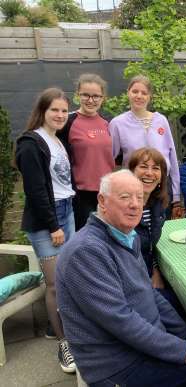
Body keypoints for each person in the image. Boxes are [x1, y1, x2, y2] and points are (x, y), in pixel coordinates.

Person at [56, 170, 186, 386]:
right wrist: (183, 351)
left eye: (139, 197)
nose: (135, 204)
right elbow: (121, 321)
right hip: (118, 366)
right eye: (125, 197)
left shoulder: (126, 236)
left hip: (143, 346)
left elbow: (149, 292)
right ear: (102, 201)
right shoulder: (86, 251)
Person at [15, 88, 76, 373]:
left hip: (67, 209)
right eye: (55, 110)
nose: (61, 115)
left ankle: (68, 329)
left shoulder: (56, 139)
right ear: (42, 110)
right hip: (47, 221)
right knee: (54, 284)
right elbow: (36, 190)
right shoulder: (32, 143)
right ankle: (64, 343)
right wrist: (54, 225)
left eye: (64, 111)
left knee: (68, 276)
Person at [108, 75, 183, 218]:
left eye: (144, 93)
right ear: (128, 93)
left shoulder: (161, 120)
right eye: (135, 91)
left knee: (160, 228)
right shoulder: (118, 123)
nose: (139, 96)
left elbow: (172, 157)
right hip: (133, 188)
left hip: (160, 187)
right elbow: (109, 160)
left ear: (150, 97)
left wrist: (176, 195)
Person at [58, 73, 114, 230]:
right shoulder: (67, 123)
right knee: (85, 240)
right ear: (77, 95)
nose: (91, 100)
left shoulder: (107, 124)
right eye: (86, 95)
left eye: (96, 96)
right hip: (81, 195)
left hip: (106, 193)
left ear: (103, 98)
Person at [128, 147, 169, 292]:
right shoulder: (122, 207)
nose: (150, 173)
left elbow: (150, 247)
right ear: (131, 172)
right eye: (143, 167)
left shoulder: (157, 205)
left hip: (148, 270)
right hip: (129, 280)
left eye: (156, 168)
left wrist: (155, 270)